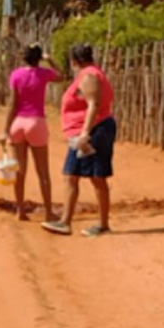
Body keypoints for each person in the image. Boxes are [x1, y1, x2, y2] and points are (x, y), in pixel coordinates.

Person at [42, 43, 117, 237]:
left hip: (92, 131)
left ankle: (99, 224)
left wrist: (85, 133)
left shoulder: (89, 76)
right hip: (89, 130)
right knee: (73, 175)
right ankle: (66, 221)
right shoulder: (90, 74)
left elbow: (94, 104)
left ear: (74, 61)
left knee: (94, 176)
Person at [0, 44, 64, 221]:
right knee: (43, 171)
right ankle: (49, 212)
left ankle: (20, 210)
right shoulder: (43, 73)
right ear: (38, 58)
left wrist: (5, 130)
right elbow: (62, 76)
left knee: (19, 170)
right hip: (36, 122)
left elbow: (12, 104)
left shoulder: (16, 75)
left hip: (18, 123)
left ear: (23, 58)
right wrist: (49, 58)